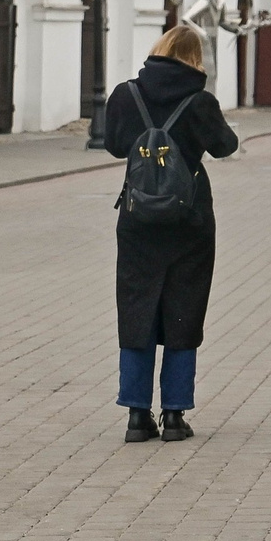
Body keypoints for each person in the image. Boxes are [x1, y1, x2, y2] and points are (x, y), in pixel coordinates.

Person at [103, 23, 238, 444]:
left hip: (138, 218)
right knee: (184, 306)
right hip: (189, 221)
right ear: (195, 59)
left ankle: (137, 417)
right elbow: (225, 146)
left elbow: (112, 144)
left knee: (137, 307)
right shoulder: (200, 100)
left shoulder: (126, 94)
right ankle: (175, 416)